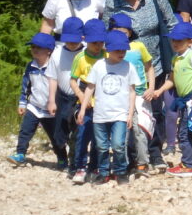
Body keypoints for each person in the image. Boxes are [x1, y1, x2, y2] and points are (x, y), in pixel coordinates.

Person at [102, 0, 178, 170]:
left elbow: (171, 23)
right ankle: (132, 156)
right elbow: (106, 33)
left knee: (154, 112)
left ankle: (155, 153)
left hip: (154, 64)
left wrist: (177, 56)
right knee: (129, 113)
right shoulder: (112, 2)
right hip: (124, 67)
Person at [78, 30, 139, 185]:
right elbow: (90, 88)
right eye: (117, 50)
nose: (121, 53)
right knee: (101, 146)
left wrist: (130, 114)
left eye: (124, 50)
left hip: (120, 114)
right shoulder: (99, 66)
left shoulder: (129, 67)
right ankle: (103, 172)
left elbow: (132, 92)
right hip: (100, 114)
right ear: (108, 49)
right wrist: (83, 109)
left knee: (118, 145)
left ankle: (120, 171)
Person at [154, 21, 192, 177]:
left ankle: (187, 164)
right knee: (189, 132)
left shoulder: (191, 56)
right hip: (183, 98)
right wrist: (159, 91)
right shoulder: (176, 58)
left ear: (190, 41)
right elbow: (172, 79)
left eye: (179, 40)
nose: (175, 43)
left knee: (184, 133)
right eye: (173, 40)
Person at [109, 12, 156, 176]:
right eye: (117, 30)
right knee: (122, 131)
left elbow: (150, 67)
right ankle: (123, 163)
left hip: (141, 94)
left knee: (140, 129)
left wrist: (151, 87)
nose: (121, 34)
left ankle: (143, 162)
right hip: (119, 95)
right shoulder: (109, 49)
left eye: (124, 31)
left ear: (130, 31)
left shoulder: (138, 46)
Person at [9, 32, 64, 167]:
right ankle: (20, 154)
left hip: (50, 109)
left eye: (39, 48)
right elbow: (26, 85)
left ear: (49, 51)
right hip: (34, 106)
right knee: (25, 131)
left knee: (56, 137)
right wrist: (23, 102)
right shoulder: (30, 66)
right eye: (33, 47)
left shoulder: (55, 67)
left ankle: (62, 158)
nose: (34, 50)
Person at [69, 18, 107, 184]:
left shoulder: (106, 56)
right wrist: (80, 95)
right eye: (94, 42)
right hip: (84, 97)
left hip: (102, 99)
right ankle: (80, 166)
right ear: (85, 40)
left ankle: (95, 166)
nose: (97, 46)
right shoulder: (80, 57)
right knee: (83, 135)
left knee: (100, 136)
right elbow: (73, 80)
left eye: (100, 42)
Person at [45, 17, 85, 171]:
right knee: (59, 131)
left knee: (78, 130)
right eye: (68, 40)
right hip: (62, 96)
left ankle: (76, 161)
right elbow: (53, 78)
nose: (72, 43)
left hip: (80, 97)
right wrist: (51, 100)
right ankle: (61, 155)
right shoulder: (57, 53)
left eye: (75, 40)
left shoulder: (87, 51)